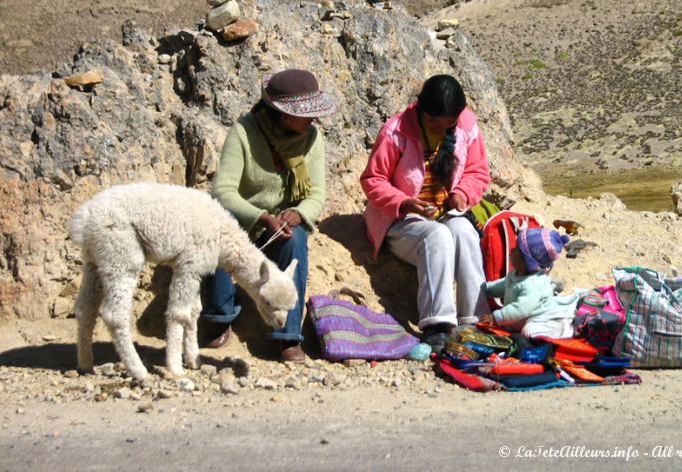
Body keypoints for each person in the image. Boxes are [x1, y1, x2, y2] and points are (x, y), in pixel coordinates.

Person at [202, 68, 335, 362]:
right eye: (306, 113)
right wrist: (261, 217)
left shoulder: (312, 139)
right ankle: (218, 314)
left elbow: (316, 195)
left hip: (281, 226)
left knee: (294, 242)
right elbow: (223, 191)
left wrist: (298, 214)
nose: (313, 120)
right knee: (220, 229)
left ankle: (287, 336)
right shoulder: (244, 132)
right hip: (245, 220)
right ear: (283, 114)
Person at [360, 74, 491, 353]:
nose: (442, 130)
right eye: (434, 122)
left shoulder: (467, 125)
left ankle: (475, 320)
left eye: (449, 125)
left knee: (465, 232)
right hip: (400, 220)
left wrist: (463, 194)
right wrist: (405, 202)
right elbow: (373, 180)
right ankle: (438, 324)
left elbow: (477, 172)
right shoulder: (395, 131)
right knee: (438, 235)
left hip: (445, 212)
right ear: (420, 109)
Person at [479, 227, 579, 339]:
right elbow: (505, 285)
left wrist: (497, 316)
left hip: (544, 319)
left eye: (516, 250)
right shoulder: (517, 273)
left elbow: (521, 308)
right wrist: (487, 289)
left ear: (526, 260)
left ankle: (563, 330)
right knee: (522, 330)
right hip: (526, 319)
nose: (512, 250)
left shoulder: (533, 283)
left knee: (528, 331)